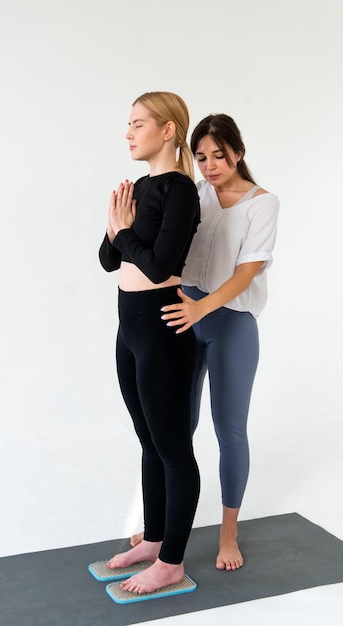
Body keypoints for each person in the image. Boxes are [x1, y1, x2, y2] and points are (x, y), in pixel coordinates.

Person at [132, 113, 279, 571]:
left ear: (238, 151)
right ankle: (162, 529)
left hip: (229, 323)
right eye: (201, 157)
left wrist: (203, 307)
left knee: (229, 431)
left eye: (219, 155)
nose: (211, 165)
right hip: (182, 317)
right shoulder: (193, 193)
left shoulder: (262, 203)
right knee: (174, 430)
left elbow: (247, 272)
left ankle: (228, 532)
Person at [98, 92, 201, 594]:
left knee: (173, 447)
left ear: (167, 130)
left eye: (138, 123)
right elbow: (110, 260)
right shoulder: (138, 186)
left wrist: (122, 234)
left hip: (162, 328)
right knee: (148, 442)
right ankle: (155, 540)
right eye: (129, 123)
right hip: (129, 325)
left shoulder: (180, 190)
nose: (129, 132)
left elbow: (160, 266)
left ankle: (172, 563)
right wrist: (113, 226)